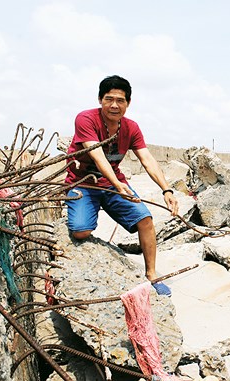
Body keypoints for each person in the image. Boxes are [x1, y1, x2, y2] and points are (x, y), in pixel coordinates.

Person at [64, 75, 178, 296]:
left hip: (114, 184)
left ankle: (152, 275)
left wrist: (167, 190)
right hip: (83, 184)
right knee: (80, 231)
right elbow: (96, 153)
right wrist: (117, 184)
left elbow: (147, 159)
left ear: (128, 103)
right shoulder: (85, 119)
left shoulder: (131, 128)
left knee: (145, 219)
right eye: (109, 99)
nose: (114, 105)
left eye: (120, 100)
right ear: (100, 100)